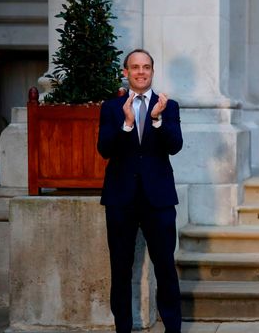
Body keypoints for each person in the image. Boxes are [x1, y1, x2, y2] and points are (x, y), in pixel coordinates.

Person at [97, 49, 183, 333]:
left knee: (165, 268)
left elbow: (174, 146)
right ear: (126, 72)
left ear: (152, 71)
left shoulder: (168, 106)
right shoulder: (111, 108)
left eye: (146, 67)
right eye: (135, 67)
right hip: (121, 198)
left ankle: (172, 327)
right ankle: (123, 328)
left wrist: (157, 121)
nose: (141, 72)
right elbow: (104, 150)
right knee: (120, 268)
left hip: (158, 199)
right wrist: (127, 124)